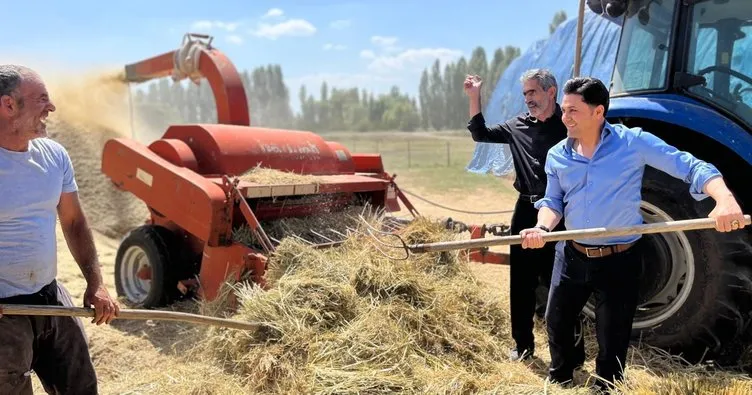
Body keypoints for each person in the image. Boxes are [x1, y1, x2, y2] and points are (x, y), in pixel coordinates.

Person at [520, 76, 746, 391]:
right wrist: (542, 227)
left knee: (613, 335)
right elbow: (553, 201)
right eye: (564, 110)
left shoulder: (633, 143)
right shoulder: (558, 154)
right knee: (556, 321)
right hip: (571, 255)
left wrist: (725, 199)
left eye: (573, 110)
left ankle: (606, 384)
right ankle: (563, 373)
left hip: (619, 258)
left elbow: (692, 167)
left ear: (598, 112)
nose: (564, 117)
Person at [0, 64, 120, 394]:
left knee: (80, 385)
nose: (51, 108)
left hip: (50, 297)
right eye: (41, 99)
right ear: (8, 105)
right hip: (4, 311)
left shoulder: (54, 155)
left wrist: (96, 283)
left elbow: (74, 221)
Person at [464, 68, 585, 363]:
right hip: (525, 211)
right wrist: (474, 96)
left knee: (563, 282)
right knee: (521, 283)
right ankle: (523, 346)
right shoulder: (516, 125)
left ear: (551, 92)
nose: (528, 99)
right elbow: (480, 133)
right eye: (525, 94)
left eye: (532, 92)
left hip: (562, 213)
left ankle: (572, 353)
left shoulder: (570, 124)